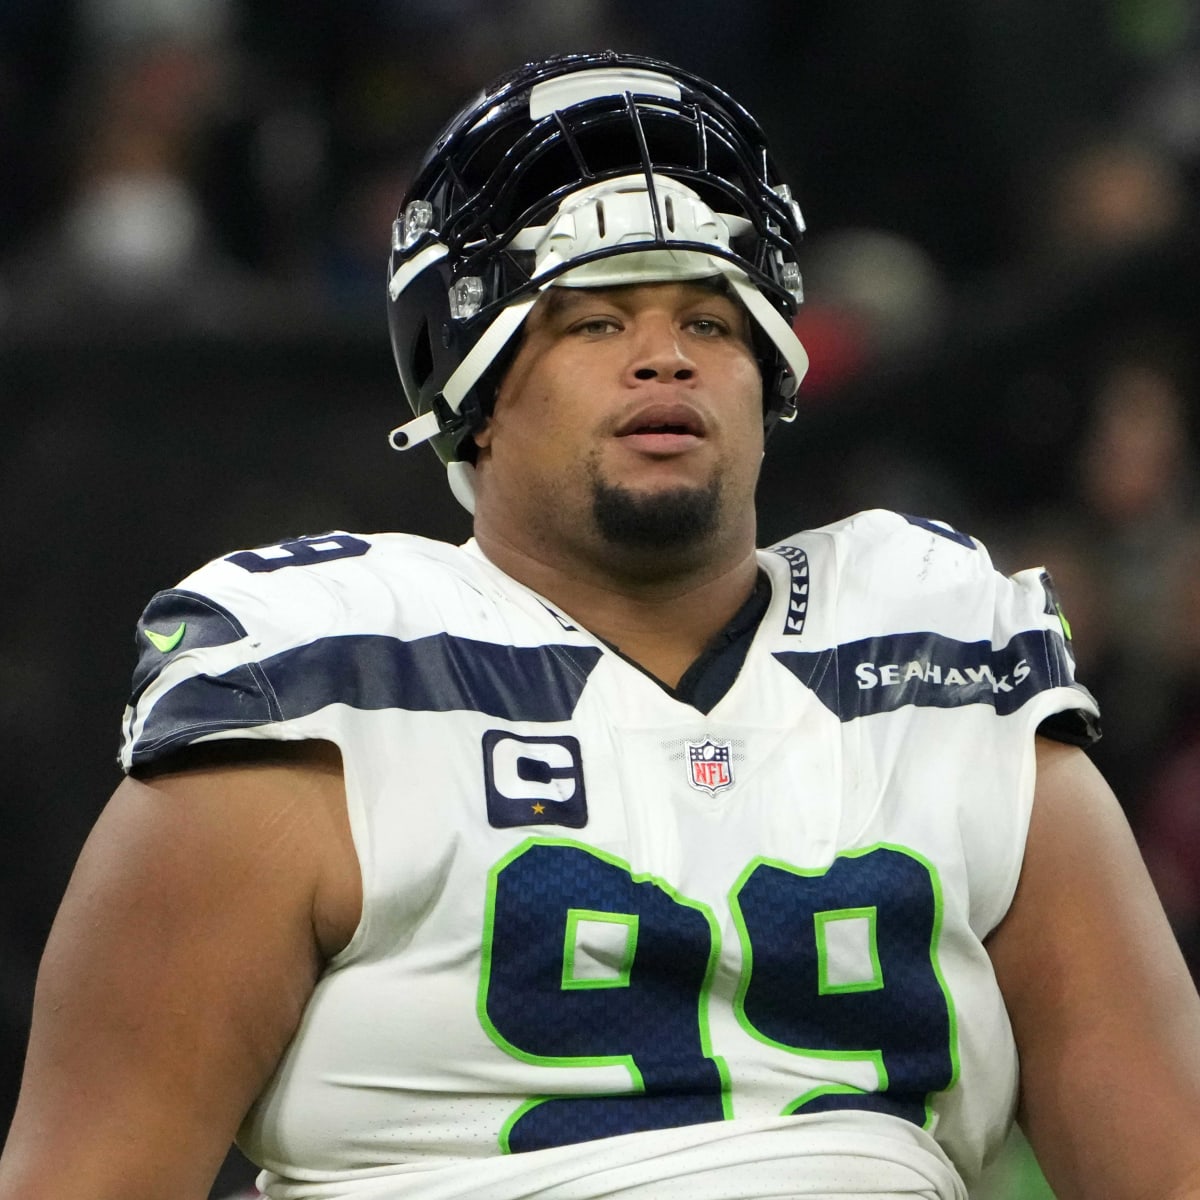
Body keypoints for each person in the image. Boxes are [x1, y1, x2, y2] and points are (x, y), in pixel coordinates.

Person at [2, 50, 1200, 1200]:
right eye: (595, 321)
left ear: (770, 372)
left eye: (710, 321)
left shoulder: (939, 666)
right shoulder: (317, 694)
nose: (664, 358)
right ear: (469, 388)